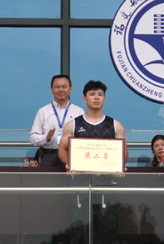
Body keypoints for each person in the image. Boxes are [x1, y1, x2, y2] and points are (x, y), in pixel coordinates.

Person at [59, 80, 127, 244]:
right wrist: (69, 164)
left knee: (107, 228)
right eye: (92, 94)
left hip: (106, 182)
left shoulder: (115, 125)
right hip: (80, 182)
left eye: (100, 94)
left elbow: (123, 151)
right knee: (79, 228)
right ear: (84, 99)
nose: (96, 97)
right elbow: (62, 149)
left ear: (104, 99)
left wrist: (120, 165)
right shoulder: (73, 124)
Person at [29, 74, 85, 167]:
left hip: (71, 155)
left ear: (70, 88)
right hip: (49, 155)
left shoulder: (79, 112)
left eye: (64, 86)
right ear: (51, 89)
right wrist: (46, 138)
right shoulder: (43, 111)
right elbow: (32, 138)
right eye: (57, 87)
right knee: (47, 177)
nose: (60, 90)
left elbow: (83, 137)